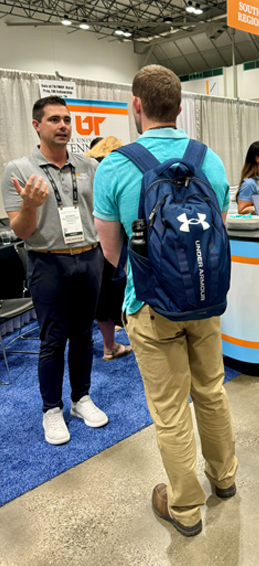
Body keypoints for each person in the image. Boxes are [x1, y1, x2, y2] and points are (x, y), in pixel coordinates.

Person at [93, 65, 238, 538]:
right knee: (212, 393)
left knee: (171, 410)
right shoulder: (208, 159)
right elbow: (217, 228)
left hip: (152, 304)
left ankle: (186, 509)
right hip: (205, 300)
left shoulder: (116, 166)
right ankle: (225, 478)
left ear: (135, 106)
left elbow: (112, 252)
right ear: (180, 107)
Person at [1, 96, 107, 446]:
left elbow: (99, 214)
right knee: (52, 338)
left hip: (89, 257)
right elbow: (21, 231)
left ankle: (81, 399)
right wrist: (30, 206)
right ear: (37, 126)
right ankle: (52, 409)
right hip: (48, 261)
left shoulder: (88, 166)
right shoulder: (19, 169)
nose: (63, 125)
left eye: (66, 119)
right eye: (54, 120)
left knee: (83, 335)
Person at [85, 137, 133, 361]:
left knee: (99, 295)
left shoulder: (84, 169)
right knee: (116, 285)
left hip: (85, 244)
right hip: (110, 240)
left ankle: (109, 344)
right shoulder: (114, 170)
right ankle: (114, 340)